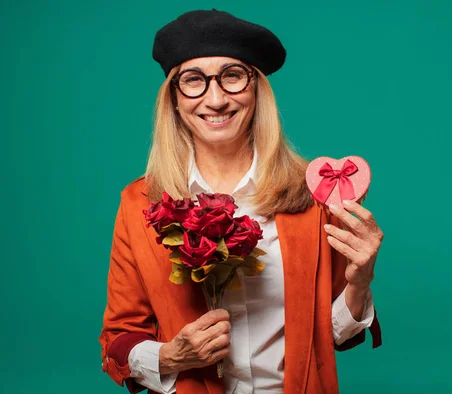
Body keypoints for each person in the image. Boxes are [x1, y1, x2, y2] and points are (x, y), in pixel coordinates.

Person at [99, 9, 383, 394]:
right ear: (175, 100)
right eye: (193, 80)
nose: (215, 99)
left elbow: (337, 336)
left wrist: (359, 282)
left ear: (256, 89)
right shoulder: (139, 203)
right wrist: (171, 356)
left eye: (232, 76)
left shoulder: (310, 194)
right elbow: (119, 338)